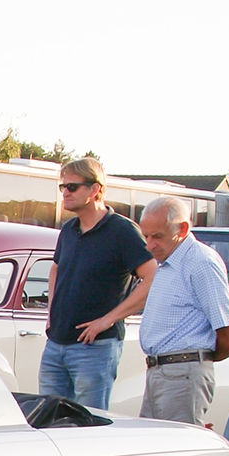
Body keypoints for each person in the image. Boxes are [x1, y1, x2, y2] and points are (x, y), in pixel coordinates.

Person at [39, 157, 156, 410]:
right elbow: (56, 269)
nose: (65, 194)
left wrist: (108, 319)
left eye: (72, 187)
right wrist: (51, 314)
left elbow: (153, 277)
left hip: (95, 347)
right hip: (56, 342)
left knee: (86, 423)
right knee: (48, 419)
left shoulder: (123, 231)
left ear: (95, 190)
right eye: (62, 187)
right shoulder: (68, 229)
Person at [137, 196, 229, 423]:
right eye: (146, 236)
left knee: (175, 449)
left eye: (157, 236)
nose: (149, 245)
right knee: (155, 447)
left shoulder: (200, 262)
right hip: (164, 370)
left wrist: (194, 361)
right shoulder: (168, 262)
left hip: (181, 372)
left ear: (182, 229)